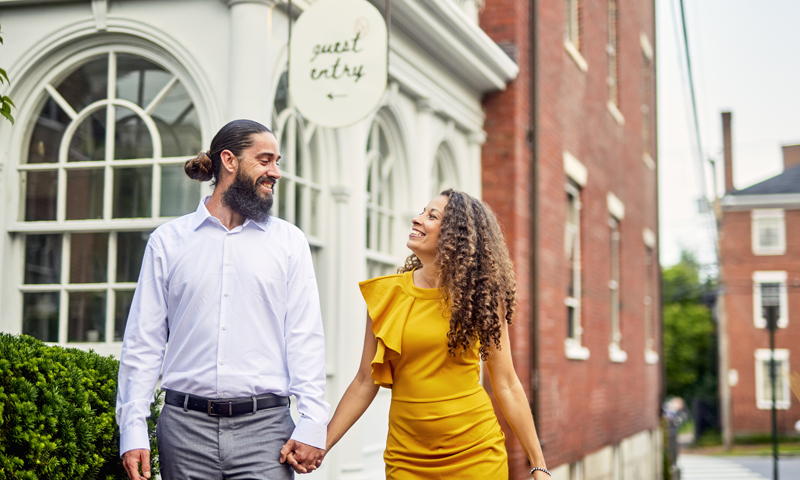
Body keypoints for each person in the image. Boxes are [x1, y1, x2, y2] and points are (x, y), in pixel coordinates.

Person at [116, 119, 329, 480]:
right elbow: (143, 341)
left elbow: (304, 338)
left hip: (266, 434)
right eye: (265, 160)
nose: (275, 172)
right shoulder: (168, 241)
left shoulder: (289, 243)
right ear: (229, 160)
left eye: (277, 161)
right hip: (184, 432)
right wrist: (133, 428)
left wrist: (312, 422)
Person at [301, 189, 549, 479]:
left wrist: (538, 465)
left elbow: (506, 384)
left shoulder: (480, 298)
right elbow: (365, 381)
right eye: (422, 212)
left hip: (475, 454)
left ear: (457, 236)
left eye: (432, 216)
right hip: (407, 459)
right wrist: (321, 444)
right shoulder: (387, 295)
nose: (417, 220)